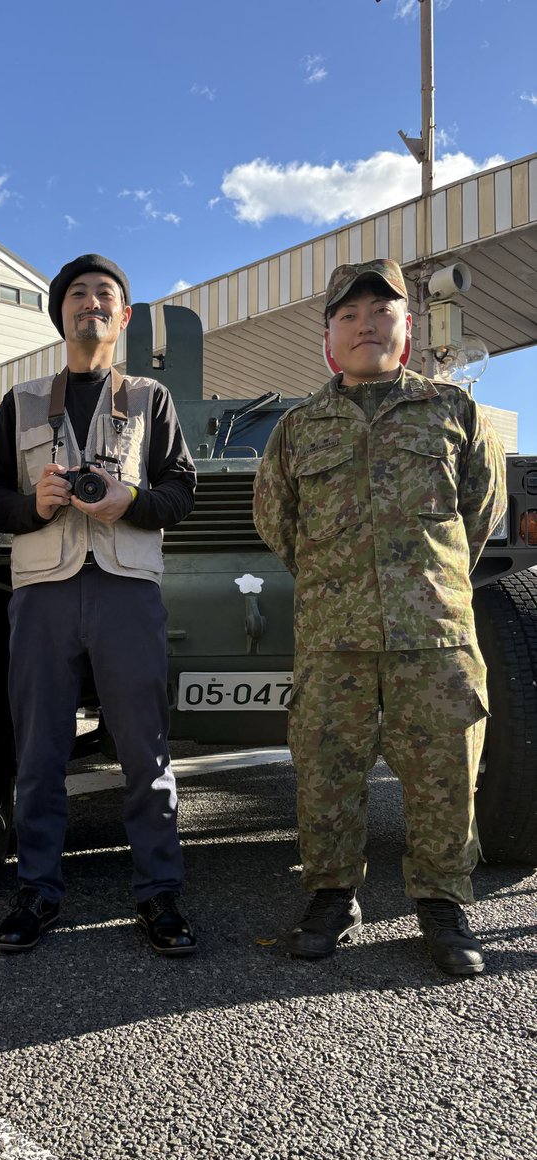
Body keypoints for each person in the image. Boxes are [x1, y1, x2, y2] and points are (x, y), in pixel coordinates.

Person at [253, 258, 506, 977]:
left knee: (444, 776)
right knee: (327, 774)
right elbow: (279, 522)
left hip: (433, 636)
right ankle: (330, 895)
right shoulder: (299, 428)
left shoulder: (454, 411)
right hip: (335, 641)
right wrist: (342, 586)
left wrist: (419, 584)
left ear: (409, 325)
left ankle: (442, 904)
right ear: (330, 335)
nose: (366, 324)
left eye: (382, 311)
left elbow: (477, 517)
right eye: (349, 315)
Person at [0, 253, 197, 956]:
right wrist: (33, 506)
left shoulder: (151, 399)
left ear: (124, 317)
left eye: (106, 294)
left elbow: (181, 491)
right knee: (38, 750)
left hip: (127, 588)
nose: (92, 302)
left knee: (144, 748)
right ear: (59, 314)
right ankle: (38, 889)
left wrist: (132, 502)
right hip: (41, 591)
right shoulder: (21, 401)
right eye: (78, 293)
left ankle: (159, 892)